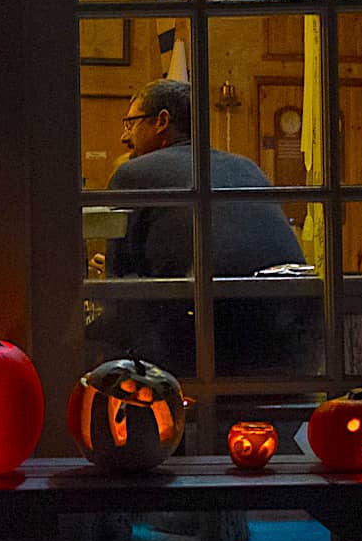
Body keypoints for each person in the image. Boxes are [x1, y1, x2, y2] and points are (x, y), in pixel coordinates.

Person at [95, 79, 307, 376]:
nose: (123, 137)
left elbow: (118, 290)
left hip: (207, 339)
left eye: (130, 123)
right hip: (293, 337)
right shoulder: (247, 167)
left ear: (162, 122)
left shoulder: (132, 173)